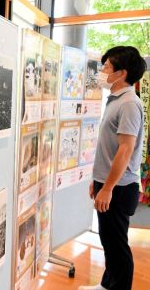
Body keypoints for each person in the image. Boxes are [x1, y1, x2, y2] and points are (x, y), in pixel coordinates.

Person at [79, 46, 147, 290]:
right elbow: (108, 148)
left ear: (122, 73)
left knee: (117, 244)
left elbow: (125, 150)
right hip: (107, 182)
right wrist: (97, 181)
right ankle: (108, 284)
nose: (102, 71)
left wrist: (106, 188)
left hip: (118, 186)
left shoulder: (129, 103)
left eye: (107, 66)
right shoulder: (116, 100)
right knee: (108, 240)